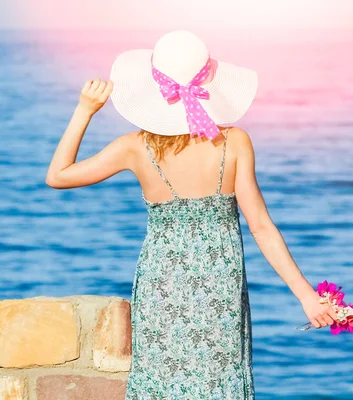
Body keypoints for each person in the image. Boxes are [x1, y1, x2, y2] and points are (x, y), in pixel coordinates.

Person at [45, 30, 338, 399]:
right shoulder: (234, 142)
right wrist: (306, 296)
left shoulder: (135, 147)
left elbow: (58, 176)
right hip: (220, 287)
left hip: (161, 285)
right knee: (219, 384)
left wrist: (85, 110)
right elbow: (262, 227)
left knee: (162, 382)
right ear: (209, 84)